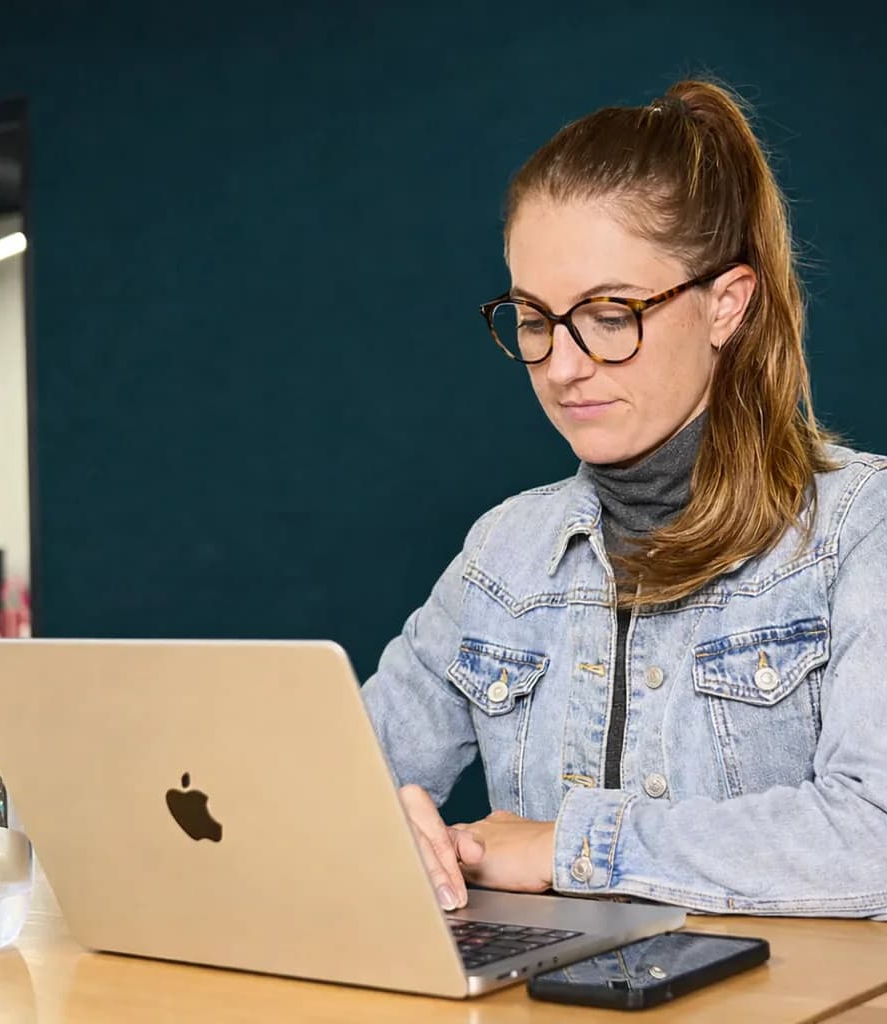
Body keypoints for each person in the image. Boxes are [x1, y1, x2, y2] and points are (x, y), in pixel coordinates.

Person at [361, 79, 887, 918]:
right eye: (534, 319)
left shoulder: (863, 529)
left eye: (608, 314)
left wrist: (569, 846)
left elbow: (875, 839)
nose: (563, 366)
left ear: (726, 305)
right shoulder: (504, 555)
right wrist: (377, 826)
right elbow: (335, 783)